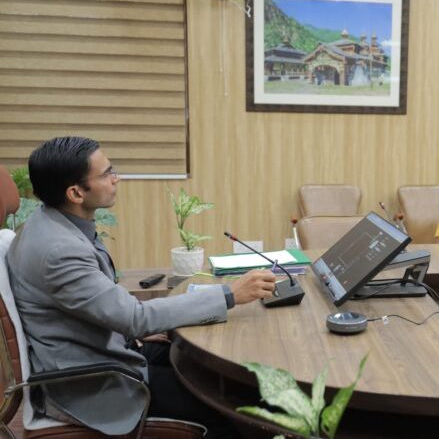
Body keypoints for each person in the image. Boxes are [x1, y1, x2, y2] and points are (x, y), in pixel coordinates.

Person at [8, 136, 276, 438]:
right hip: (95, 383)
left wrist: (132, 329)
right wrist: (230, 295)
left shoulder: (47, 223)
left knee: (203, 364)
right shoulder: (58, 250)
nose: (116, 178)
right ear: (76, 193)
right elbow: (135, 318)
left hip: (103, 348)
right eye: (107, 173)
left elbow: (103, 306)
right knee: (229, 407)